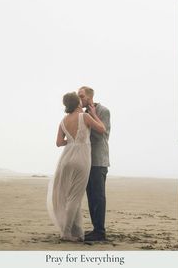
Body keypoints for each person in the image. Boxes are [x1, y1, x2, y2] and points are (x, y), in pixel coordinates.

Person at [47, 92, 106, 242]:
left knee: (65, 195)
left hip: (66, 158)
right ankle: (66, 233)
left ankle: (69, 230)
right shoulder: (84, 116)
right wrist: (93, 113)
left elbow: (59, 142)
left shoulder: (63, 121)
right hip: (81, 158)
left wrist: (72, 142)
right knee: (75, 197)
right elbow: (102, 129)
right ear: (78, 103)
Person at [78, 86, 111, 241]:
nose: (80, 99)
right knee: (91, 196)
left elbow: (103, 133)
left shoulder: (103, 111)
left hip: (99, 160)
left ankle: (100, 231)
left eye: (82, 96)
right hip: (86, 160)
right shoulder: (83, 114)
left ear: (90, 97)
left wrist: (92, 115)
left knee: (98, 196)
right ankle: (95, 229)